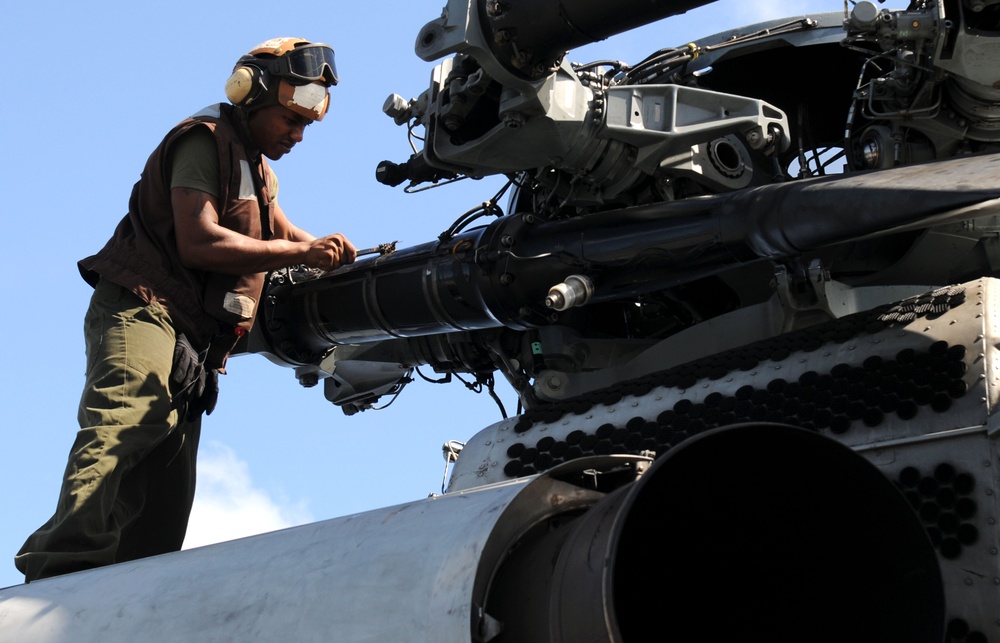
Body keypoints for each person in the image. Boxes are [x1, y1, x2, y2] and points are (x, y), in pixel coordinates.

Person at [15, 37, 356, 582]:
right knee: (126, 423)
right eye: (290, 121)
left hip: (193, 341)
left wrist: (336, 257)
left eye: (305, 126)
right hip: (145, 309)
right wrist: (302, 253)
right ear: (251, 94)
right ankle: (57, 575)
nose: (297, 135)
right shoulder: (205, 139)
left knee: (167, 491)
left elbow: (283, 230)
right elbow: (199, 241)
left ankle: (134, 594)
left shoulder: (257, 170)